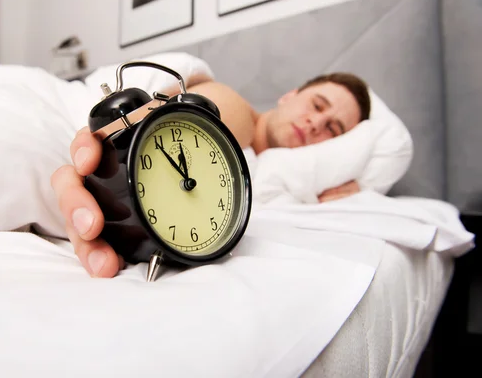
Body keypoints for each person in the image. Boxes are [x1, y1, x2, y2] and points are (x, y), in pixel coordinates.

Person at [50, 71, 371, 278]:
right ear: (290, 95)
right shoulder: (237, 112)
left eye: (333, 129)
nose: (317, 123)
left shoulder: (292, 173)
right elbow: (170, 122)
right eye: (317, 105)